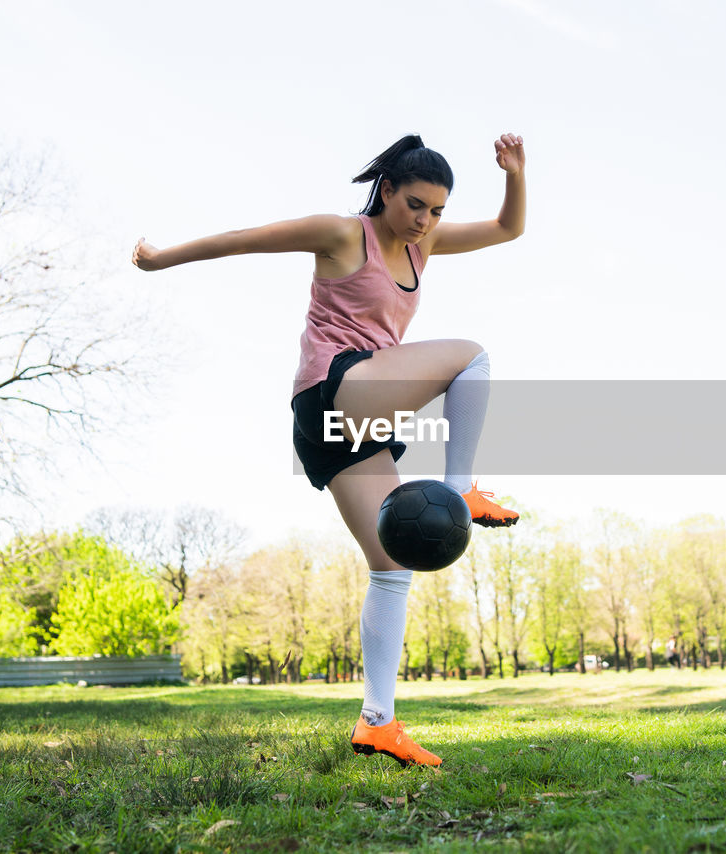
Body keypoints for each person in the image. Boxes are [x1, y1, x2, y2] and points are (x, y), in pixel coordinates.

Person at [132, 132, 527, 767]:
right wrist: (162, 257)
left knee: (392, 564)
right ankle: (460, 487)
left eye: (437, 212)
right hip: (335, 389)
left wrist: (515, 172)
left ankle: (378, 722)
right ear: (388, 189)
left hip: (345, 426)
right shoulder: (345, 235)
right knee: (471, 358)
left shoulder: (423, 245)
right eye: (415, 205)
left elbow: (510, 229)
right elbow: (244, 239)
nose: (424, 221)